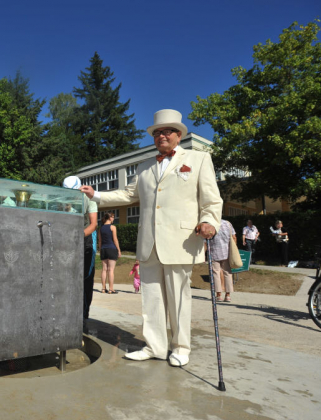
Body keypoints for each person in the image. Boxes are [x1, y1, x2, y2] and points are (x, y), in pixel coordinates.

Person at [81, 109, 222, 367]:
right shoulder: (145, 166)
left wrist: (209, 221)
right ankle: (155, 346)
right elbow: (127, 195)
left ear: (179, 135)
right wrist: (96, 195)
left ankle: (180, 347)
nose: (162, 135)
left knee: (179, 297)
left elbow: (212, 200)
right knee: (152, 298)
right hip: (149, 242)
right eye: (157, 132)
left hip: (181, 241)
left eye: (167, 131)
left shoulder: (199, 159)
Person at [63, 176, 98, 321]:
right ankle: (67, 313)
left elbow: (93, 223)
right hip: (67, 239)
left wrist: (80, 235)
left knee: (85, 278)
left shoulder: (89, 198)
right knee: (67, 277)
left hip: (86, 238)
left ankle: (83, 317)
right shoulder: (62, 199)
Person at [209, 219, 236, 302]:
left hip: (214, 252)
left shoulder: (210, 223)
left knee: (216, 273)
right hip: (227, 252)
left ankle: (218, 295)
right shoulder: (228, 223)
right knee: (227, 273)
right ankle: (228, 295)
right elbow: (234, 237)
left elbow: (206, 241)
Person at [99, 212, 121, 294]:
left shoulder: (100, 228)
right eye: (113, 217)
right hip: (112, 248)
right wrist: (118, 250)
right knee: (111, 270)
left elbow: (100, 241)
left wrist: (100, 249)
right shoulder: (113, 227)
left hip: (103, 249)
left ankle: (103, 289)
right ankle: (111, 289)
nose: (113, 219)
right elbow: (115, 239)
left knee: (104, 269)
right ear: (109, 218)